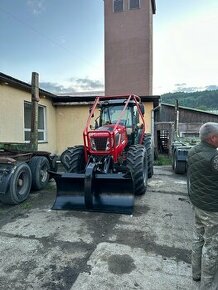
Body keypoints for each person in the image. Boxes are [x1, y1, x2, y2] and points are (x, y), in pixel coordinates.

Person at [187, 122, 218, 290]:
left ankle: (196, 273)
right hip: (212, 209)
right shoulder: (214, 157)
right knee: (211, 247)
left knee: (198, 238)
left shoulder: (192, 151)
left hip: (198, 204)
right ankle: (207, 285)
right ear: (213, 138)